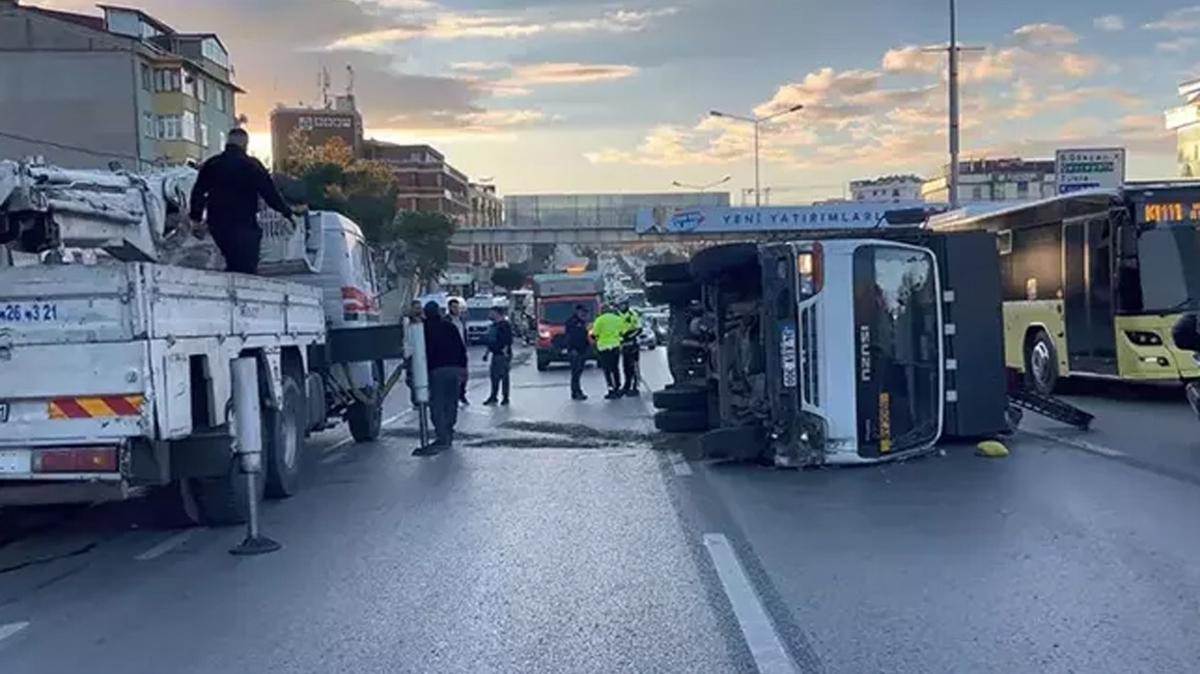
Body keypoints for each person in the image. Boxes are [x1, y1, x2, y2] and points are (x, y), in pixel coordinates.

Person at [188, 127, 299, 274]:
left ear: (227, 143)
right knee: (246, 268)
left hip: (218, 225)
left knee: (233, 261)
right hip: (243, 225)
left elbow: (198, 192)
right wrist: (288, 213)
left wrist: (196, 219)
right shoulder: (252, 165)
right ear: (245, 144)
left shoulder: (212, 164)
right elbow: (270, 194)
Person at [418, 301, 467, 452]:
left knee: (437, 405)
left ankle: (442, 436)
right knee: (451, 402)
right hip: (454, 369)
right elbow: (461, 348)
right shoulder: (450, 327)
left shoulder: (424, 329)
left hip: (436, 370)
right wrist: (463, 368)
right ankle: (449, 430)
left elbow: (421, 352)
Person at [591, 303, 625, 399]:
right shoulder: (617, 319)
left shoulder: (599, 320)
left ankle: (611, 389)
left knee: (607, 370)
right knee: (615, 368)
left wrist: (595, 338)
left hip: (603, 348)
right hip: (615, 346)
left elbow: (594, 333)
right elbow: (622, 331)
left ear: (601, 311)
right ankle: (618, 387)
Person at [482, 307, 514, 406]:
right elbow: (490, 342)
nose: (489, 315)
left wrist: (505, 353)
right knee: (494, 376)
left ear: (497, 313)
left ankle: (505, 397)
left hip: (502, 354)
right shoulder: (493, 326)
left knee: (503, 376)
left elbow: (508, 341)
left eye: (491, 313)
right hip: (495, 354)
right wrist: (486, 354)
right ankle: (493, 396)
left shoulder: (504, 325)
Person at [564, 304, 591, 401]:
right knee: (576, 372)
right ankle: (576, 392)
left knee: (578, 372)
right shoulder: (572, 322)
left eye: (585, 312)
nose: (584, 314)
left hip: (582, 350)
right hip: (575, 351)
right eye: (582, 312)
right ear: (577, 311)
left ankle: (576, 392)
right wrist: (571, 349)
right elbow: (571, 338)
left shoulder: (582, 322)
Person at [447, 298, 470, 405]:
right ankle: (454, 395)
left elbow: (464, 333)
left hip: (462, 350)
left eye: (457, 307)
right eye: (454, 307)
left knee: (464, 373)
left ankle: (462, 394)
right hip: (451, 352)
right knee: (453, 375)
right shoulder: (447, 321)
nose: (456, 310)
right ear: (449, 308)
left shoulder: (461, 320)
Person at [619, 300, 643, 397]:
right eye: (620, 305)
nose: (621, 307)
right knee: (626, 367)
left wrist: (629, 336)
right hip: (623, 344)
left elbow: (639, 329)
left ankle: (635, 386)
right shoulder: (618, 315)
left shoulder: (632, 314)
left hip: (632, 343)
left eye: (623, 305)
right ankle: (627, 385)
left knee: (633, 366)